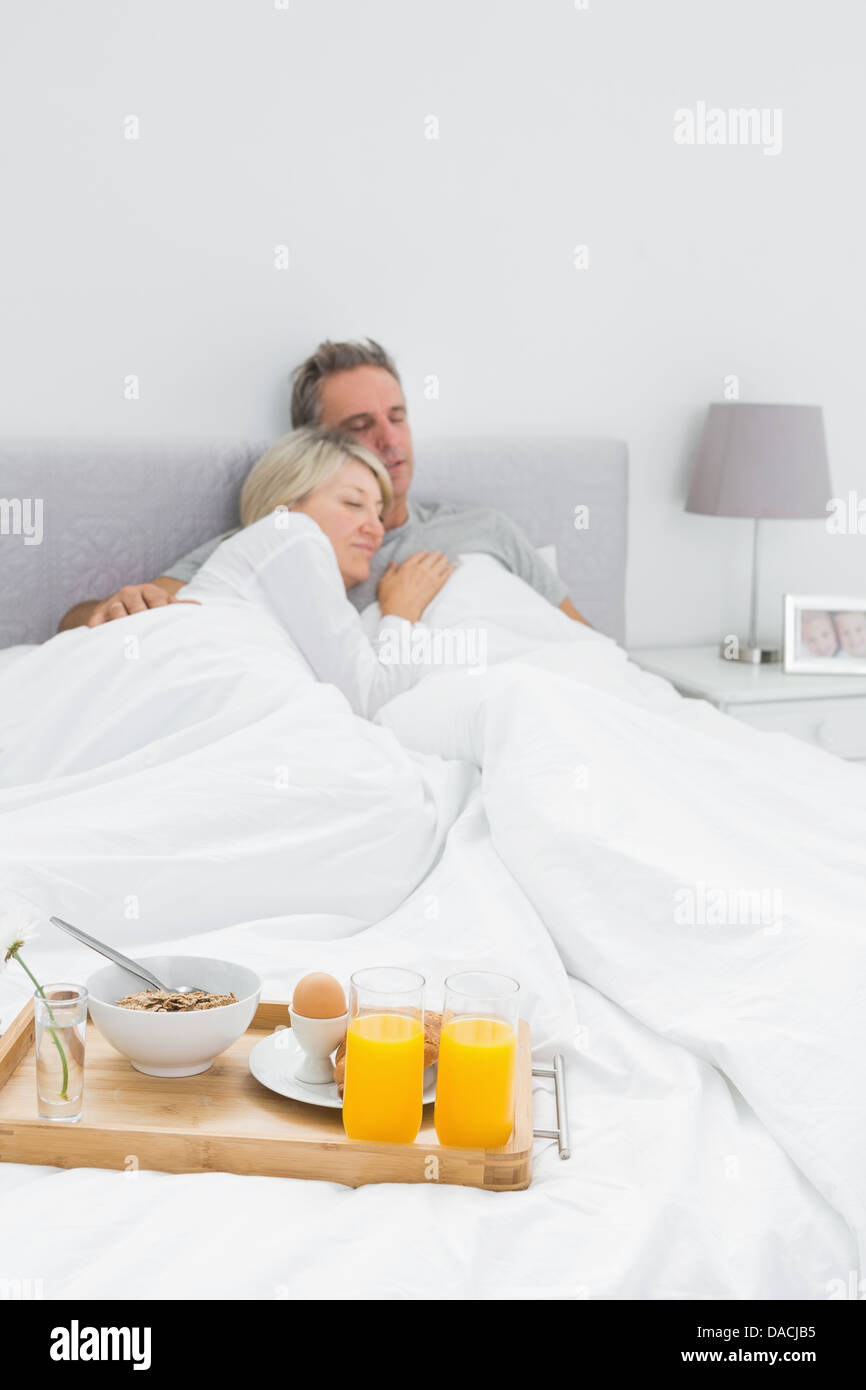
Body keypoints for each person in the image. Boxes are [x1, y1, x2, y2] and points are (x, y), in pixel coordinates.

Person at [58, 338, 589, 631]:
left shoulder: (485, 530)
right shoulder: (276, 540)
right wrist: (112, 608)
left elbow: (587, 645)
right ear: (317, 446)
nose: (388, 440)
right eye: (360, 426)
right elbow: (95, 622)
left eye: (397, 417)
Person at [185, 426, 456, 717]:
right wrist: (402, 612)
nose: (376, 529)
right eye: (353, 503)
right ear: (285, 504)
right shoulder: (292, 532)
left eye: (378, 514)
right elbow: (371, 700)